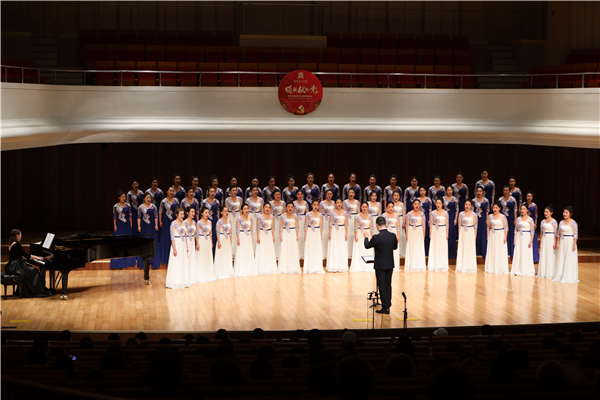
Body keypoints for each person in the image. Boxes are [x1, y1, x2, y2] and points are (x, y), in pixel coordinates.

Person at [363, 216, 398, 314]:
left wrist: (366, 237)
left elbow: (367, 245)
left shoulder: (376, 237)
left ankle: (385, 307)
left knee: (382, 286)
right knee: (388, 285)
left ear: (377, 225)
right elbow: (395, 247)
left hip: (380, 265)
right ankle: (388, 305)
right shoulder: (393, 236)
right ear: (385, 224)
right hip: (390, 264)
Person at [6, 229, 53, 298]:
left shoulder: (11, 244)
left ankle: (26, 290)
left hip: (11, 265)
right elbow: (27, 256)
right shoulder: (17, 245)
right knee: (34, 271)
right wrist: (37, 257)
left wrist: (27, 257)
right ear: (17, 235)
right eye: (20, 235)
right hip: (17, 267)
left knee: (30, 271)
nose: (21, 237)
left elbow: (19, 255)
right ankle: (37, 291)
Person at [165, 208, 189, 289]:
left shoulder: (184, 223)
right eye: (181, 214)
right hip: (177, 243)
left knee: (183, 261)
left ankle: (183, 281)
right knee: (176, 261)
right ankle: (176, 281)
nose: (182, 216)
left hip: (183, 244)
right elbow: (172, 237)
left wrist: (187, 246)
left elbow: (185, 236)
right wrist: (174, 248)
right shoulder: (173, 224)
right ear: (176, 214)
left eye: (183, 214)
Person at [554, 206, 579, 283]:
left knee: (569, 258)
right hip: (562, 241)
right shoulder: (561, 222)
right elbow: (559, 233)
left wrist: (574, 244)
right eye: (564, 212)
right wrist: (558, 243)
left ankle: (568, 276)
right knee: (561, 257)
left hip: (570, 241)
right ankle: (560, 275)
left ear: (570, 214)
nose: (564, 214)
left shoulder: (573, 223)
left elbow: (575, 235)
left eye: (566, 212)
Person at [484, 202, 509, 274]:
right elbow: (488, 227)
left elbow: (506, 228)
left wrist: (505, 237)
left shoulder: (503, 217)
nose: (495, 209)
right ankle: (491, 267)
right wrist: (488, 236)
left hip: (500, 234)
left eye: (496, 208)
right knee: (492, 250)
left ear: (499, 208)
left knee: (499, 250)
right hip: (492, 234)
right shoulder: (490, 216)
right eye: (494, 208)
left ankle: (500, 268)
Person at [511, 204, 535, 277]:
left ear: (527, 210)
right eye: (521, 209)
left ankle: (525, 270)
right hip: (519, 237)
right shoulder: (518, 219)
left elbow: (532, 231)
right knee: (519, 252)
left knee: (525, 253)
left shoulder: (530, 220)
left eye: (524, 209)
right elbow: (516, 229)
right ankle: (517, 269)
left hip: (526, 237)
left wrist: (531, 241)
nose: (522, 210)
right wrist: (514, 239)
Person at [349, 203, 375, 272]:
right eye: (363, 206)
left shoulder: (370, 216)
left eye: (366, 207)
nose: (364, 208)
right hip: (359, 233)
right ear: (361, 207)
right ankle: (359, 265)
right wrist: (355, 235)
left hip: (367, 233)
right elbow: (355, 227)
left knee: (367, 249)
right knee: (359, 248)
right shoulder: (357, 216)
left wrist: (372, 235)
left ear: (368, 207)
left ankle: (368, 266)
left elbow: (371, 227)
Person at [234, 204, 257, 277]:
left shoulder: (250, 218)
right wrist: (238, 238)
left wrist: (252, 238)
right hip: (241, 236)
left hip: (248, 236)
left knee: (248, 251)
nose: (246, 210)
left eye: (247, 208)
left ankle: (249, 269)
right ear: (242, 210)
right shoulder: (239, 218)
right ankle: (241, 269)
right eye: (245, 209)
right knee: (242, 251)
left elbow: (251, 229)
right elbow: (237, 230)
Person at [279, 200, 302, 274]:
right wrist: (281, 236)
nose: (290, 208)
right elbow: (280, 227)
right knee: (285, 248)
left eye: (291, 207)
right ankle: (284, 267)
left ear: (293, 208)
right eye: (288, 206)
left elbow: (297, 227)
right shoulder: (282, 216)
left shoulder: (295, 216)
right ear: (286, 207)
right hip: (285, 233)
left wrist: (297, 235)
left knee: (293, 249)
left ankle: (293, 266)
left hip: (292, 233)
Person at [254, 203, 278, 275]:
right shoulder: (260, 217)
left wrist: (273, 236)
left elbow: (273, 228)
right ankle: (262, 267)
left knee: (269, 250)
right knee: (262, 249)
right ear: (263, 208)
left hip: (269, 234)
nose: (267, 209)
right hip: (262, 234)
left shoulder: (272, 217)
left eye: (269, 207)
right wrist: (258, 236)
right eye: (266, 207)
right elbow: (258, 228)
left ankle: (270, 267)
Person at [326, 198, 348, 273]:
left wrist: (346, 234)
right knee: (334, 247)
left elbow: (346, 224)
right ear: (335, 204)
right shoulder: (332, 212)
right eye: (337, 202)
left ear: (342, 203)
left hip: (342, 231)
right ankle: (333, 266)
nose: (339, 204)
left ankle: (341, 266)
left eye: (340, 202)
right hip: (334, 231)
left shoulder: (345, 213)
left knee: (341, 247)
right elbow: (330, 224)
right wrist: (330, 233)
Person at [158, 187, 179, 265]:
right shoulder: (163, 201)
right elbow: (160, 212)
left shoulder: (176, 201)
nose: (171, 192)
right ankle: (165, 258)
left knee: (173, 236)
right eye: (170, 191)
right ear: (166, 191)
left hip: (174, 220)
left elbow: (178, 211)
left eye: (173, 191)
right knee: (166, 237)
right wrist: (160, 221)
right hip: (165, 221)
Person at [138, 192, 160, 268]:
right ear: (144, 199)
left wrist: (156, 225)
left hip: (152, 226)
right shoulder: (141, 207)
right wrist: (139, 226)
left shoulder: (153, 206)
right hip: (144, 226)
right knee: (144, 241)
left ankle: (154, 261)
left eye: (149, 198)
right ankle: (144, 260)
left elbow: (156, 216)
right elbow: (139, 217)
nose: (148, 199)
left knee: (153, 241)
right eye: (147, 198)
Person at [456, 200, 478, 273]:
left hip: (470, 232)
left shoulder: (474, 215)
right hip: (463, 232)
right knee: (463, 248)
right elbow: (459, 225)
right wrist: (459, 235)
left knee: (470, 249)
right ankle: (461, 266)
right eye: (466, 204)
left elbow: (475, 227)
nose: (467, 206)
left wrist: (475, 237)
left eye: (469, 204)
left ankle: (470, 266)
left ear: (471, 205)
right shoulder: (461, 214)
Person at [404, 199, 426, 272]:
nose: (417, 205)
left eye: (418, 204)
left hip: (419, 231)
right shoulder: (409, 214)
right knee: (412, 247)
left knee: (419, 247)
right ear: (412, 205)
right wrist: (407, 235)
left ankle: (419, 265)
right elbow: (407, 225)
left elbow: (424, 226)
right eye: (415, 204)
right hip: (411, 231)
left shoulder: (422, 214)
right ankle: (411, 265)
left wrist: (424, 235)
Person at [304, 200, 324, 274]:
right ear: (312, 205)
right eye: (314, 204)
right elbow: (305, 225)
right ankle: (309, 267)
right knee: (310, 248)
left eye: (317, 205)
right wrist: (305, 235)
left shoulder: (320, 215)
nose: (316, 206)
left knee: (317, 249)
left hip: (317, 232)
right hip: (310, 232)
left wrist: (321, 235)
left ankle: (317, 267)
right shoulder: (308, 214)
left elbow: (321, 226)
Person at [538, 205, 558, 279]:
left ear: (551, 213)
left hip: (551, 238)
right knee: (544, 254)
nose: (545, 213)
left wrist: (555, 242)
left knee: (550, 254)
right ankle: (543, 272)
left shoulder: (554, 221)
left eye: (547, 212)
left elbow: (556, 233)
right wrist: (541, 242)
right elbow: (541, 233)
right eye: (545, 212)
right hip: (544, 239)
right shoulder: (543, 221)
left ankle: (550, 273)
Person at [428, 199, 449, 272]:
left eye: (439, 203)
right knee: (435, 246)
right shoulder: (433, 213)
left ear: (442, 204)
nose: (438, 204)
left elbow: (447, 224)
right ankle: (434, 264)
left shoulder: (445, 213)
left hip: (442, 230)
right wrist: (430, 233)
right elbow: (431, 223)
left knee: (442, 247)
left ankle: (442, 264)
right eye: (437, 203)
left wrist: (447, 233)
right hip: (435, 230)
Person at [196, 207, 216, 282]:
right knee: (202, 257)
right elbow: (197, 234)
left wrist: (211, 242)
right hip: (201, 240)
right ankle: (201, 275)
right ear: (202, 213)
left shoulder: (210, 222)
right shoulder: (199, 223)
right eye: (206, 213)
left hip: (208, 241)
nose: (207, 214)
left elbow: (210, 233)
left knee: (208, 257)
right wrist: (197, 244)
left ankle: (208, 274)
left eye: (208, 213)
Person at [214, 206, 234, 280]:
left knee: (227, 254)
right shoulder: (219, 221)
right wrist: (219, 241)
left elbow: (231, 231)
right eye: (225, 211)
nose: (227, 212)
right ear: (221, 212)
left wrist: (231, 239)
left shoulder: (229, 220)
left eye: (227, 211)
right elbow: (217, 232)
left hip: (227, 239)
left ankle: (228, 271)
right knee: (221, 254)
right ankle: (221, 271)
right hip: (221, 239)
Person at [499, 186, 518, 258]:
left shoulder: (513, 199)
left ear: (509, 191)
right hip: (503, 218)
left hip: (511, 217)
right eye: (504, 190)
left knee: (510, 232)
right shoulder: (500, 199)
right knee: (503, 232)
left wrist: (515, 219)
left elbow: (515, 209)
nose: (505, 191)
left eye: (507, 190)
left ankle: (511, 250)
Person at [201, 187, 221, 255]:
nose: (213, 193)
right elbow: (202, 212)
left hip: (215, 220)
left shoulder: (217, 201)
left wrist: (218, 222)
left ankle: (214, 253)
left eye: (214, 192)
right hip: (206, 220)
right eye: (211, 191)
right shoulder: (204, 202)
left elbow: (218, 212)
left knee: (214, 235)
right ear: (208, 192)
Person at [225, 185, 242, 257]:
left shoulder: (240, 199)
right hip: (230, 216)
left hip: (238, 216)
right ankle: (230, 251)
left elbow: (240, 209)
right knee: (231, 232)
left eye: (236, 190)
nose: (235, 192)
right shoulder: (227, 200)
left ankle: (238, 251)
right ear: (230, 191)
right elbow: (226, 210)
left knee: (238, 232)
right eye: (233, 190)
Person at [245, 185, 264, 253]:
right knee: (251, 231)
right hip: (250, 217)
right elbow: (246, 210)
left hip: (258, 217)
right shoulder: (248, 200)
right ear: (250, 191)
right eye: (253, 190)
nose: (255, 191)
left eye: (256, 190)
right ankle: (251, 251)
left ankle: (258, 251)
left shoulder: (261, 200)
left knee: (258, 232)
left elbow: (262, 211)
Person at [472, 187, 489, 259]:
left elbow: (487, 210)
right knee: (477, 233)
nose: (479, 192)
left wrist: (487, 219)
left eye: (480, 191)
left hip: (483, 218)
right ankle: (476, 251)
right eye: (478, 191)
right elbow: (472, 211)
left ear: (483, 192)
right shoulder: (473, 201)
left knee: (483, 233)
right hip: (476, 218)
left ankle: (483, 251)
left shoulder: (486, 200)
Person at [343, 188, 360, 258]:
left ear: (354, 194)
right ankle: (347, 253)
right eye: (350, 192)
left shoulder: (357, 202)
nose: (351, 194)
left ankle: (354, 253)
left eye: (352, 192)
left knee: (354, 235)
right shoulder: (345, 202)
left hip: (355, 219)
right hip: (347, 219)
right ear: (348, 193)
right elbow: (343, 213)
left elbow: (359, 213)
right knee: (347, 235)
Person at [384, 202, 401, 270]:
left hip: (394, 232)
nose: (391, 208)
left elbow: (398, 227)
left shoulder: (396, 215)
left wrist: (398, 236)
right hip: (386, 232)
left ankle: (395, 265)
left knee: (394, 249)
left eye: (392, 207)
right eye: (389, 207)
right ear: (387, 207)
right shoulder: (384, 215)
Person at [184, 207, 199, 285]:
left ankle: (192, 277)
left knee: (192, 258)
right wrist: (186, 245)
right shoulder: (184, 222)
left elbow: (196, 234)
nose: (193, 213)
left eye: (194, 212)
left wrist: (197, 243)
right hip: (186, 241)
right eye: (192, 212)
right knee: (186, 258)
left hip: (192, 242)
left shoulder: (194, 222)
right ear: (187, 212)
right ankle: (185, 277)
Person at [443, 186, 458, 259]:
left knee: (451, 234)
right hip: (444, 216)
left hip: (452, 217)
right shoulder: (443, 198)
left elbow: (457, 210)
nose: (449, 191)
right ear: (446, 191)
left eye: (450, 190)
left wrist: (455, 219)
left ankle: (452, 254)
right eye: (448, 190)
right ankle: (444, 253)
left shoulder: (454, 199)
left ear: (452, 191)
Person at [524, 192, 540, 263]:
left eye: (530, 196)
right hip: (525, 221)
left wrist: (535, 223)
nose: (529, 197)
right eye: (528, 196)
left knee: (533, 238)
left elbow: (536, 215)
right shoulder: (524, 204)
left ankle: (534, 257)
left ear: (532, 197)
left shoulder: (534, 205)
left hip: (532, 221)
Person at [320, 189, 336, 257]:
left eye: (330, 194)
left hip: (331, 220)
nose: (329, 195)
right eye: (328, 194)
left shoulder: (334, 203)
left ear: (332, 195)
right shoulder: (322, 203)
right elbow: (320, 214)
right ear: (325, 195)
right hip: (324, 219)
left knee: (330, 235)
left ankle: (330, 253)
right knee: (324, 235)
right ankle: (323, 252)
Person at [270, 189, 285, 260]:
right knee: (274, 236)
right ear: (273, 195)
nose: (278, 196)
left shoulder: (283, 203)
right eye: (276, 194)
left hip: (281, 220)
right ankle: (273, 254)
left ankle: (280, 253)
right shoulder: (271, 203)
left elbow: (284, 213)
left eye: (279, 194)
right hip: (273, 220)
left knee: (280, 236)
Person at [418, 187, 432, 256]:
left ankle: (427, 251)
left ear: (426, 191)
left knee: (426, 234)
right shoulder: (417, 200)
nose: (422, 192)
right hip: (419, 217)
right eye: (421, 190)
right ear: (419, 192)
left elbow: (430, 210)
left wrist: (430, 220)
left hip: (426, 217)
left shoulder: (428, 199)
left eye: (423, 190)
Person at [391, 190, 407, 257]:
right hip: (392, 220)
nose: (396, 197)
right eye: (395, 195)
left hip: (400, 219)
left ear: (399, 196)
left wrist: (404, 222)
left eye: (397, 196)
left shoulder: (402, 204)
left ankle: (401, 252)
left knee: (401, 235)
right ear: (392, 196)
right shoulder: (390, 204)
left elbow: (404, 214)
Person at [293, 190, 308, 258]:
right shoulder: (294, 203)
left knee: (303, 235)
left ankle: (303, 253)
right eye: (298, 194)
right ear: (296, 195)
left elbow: (307, 213)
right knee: (297, 235)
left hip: (303, 219)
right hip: (296, 219)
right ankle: (297, 253)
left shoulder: (305, 202)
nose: (300, 195)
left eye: (301, 194)